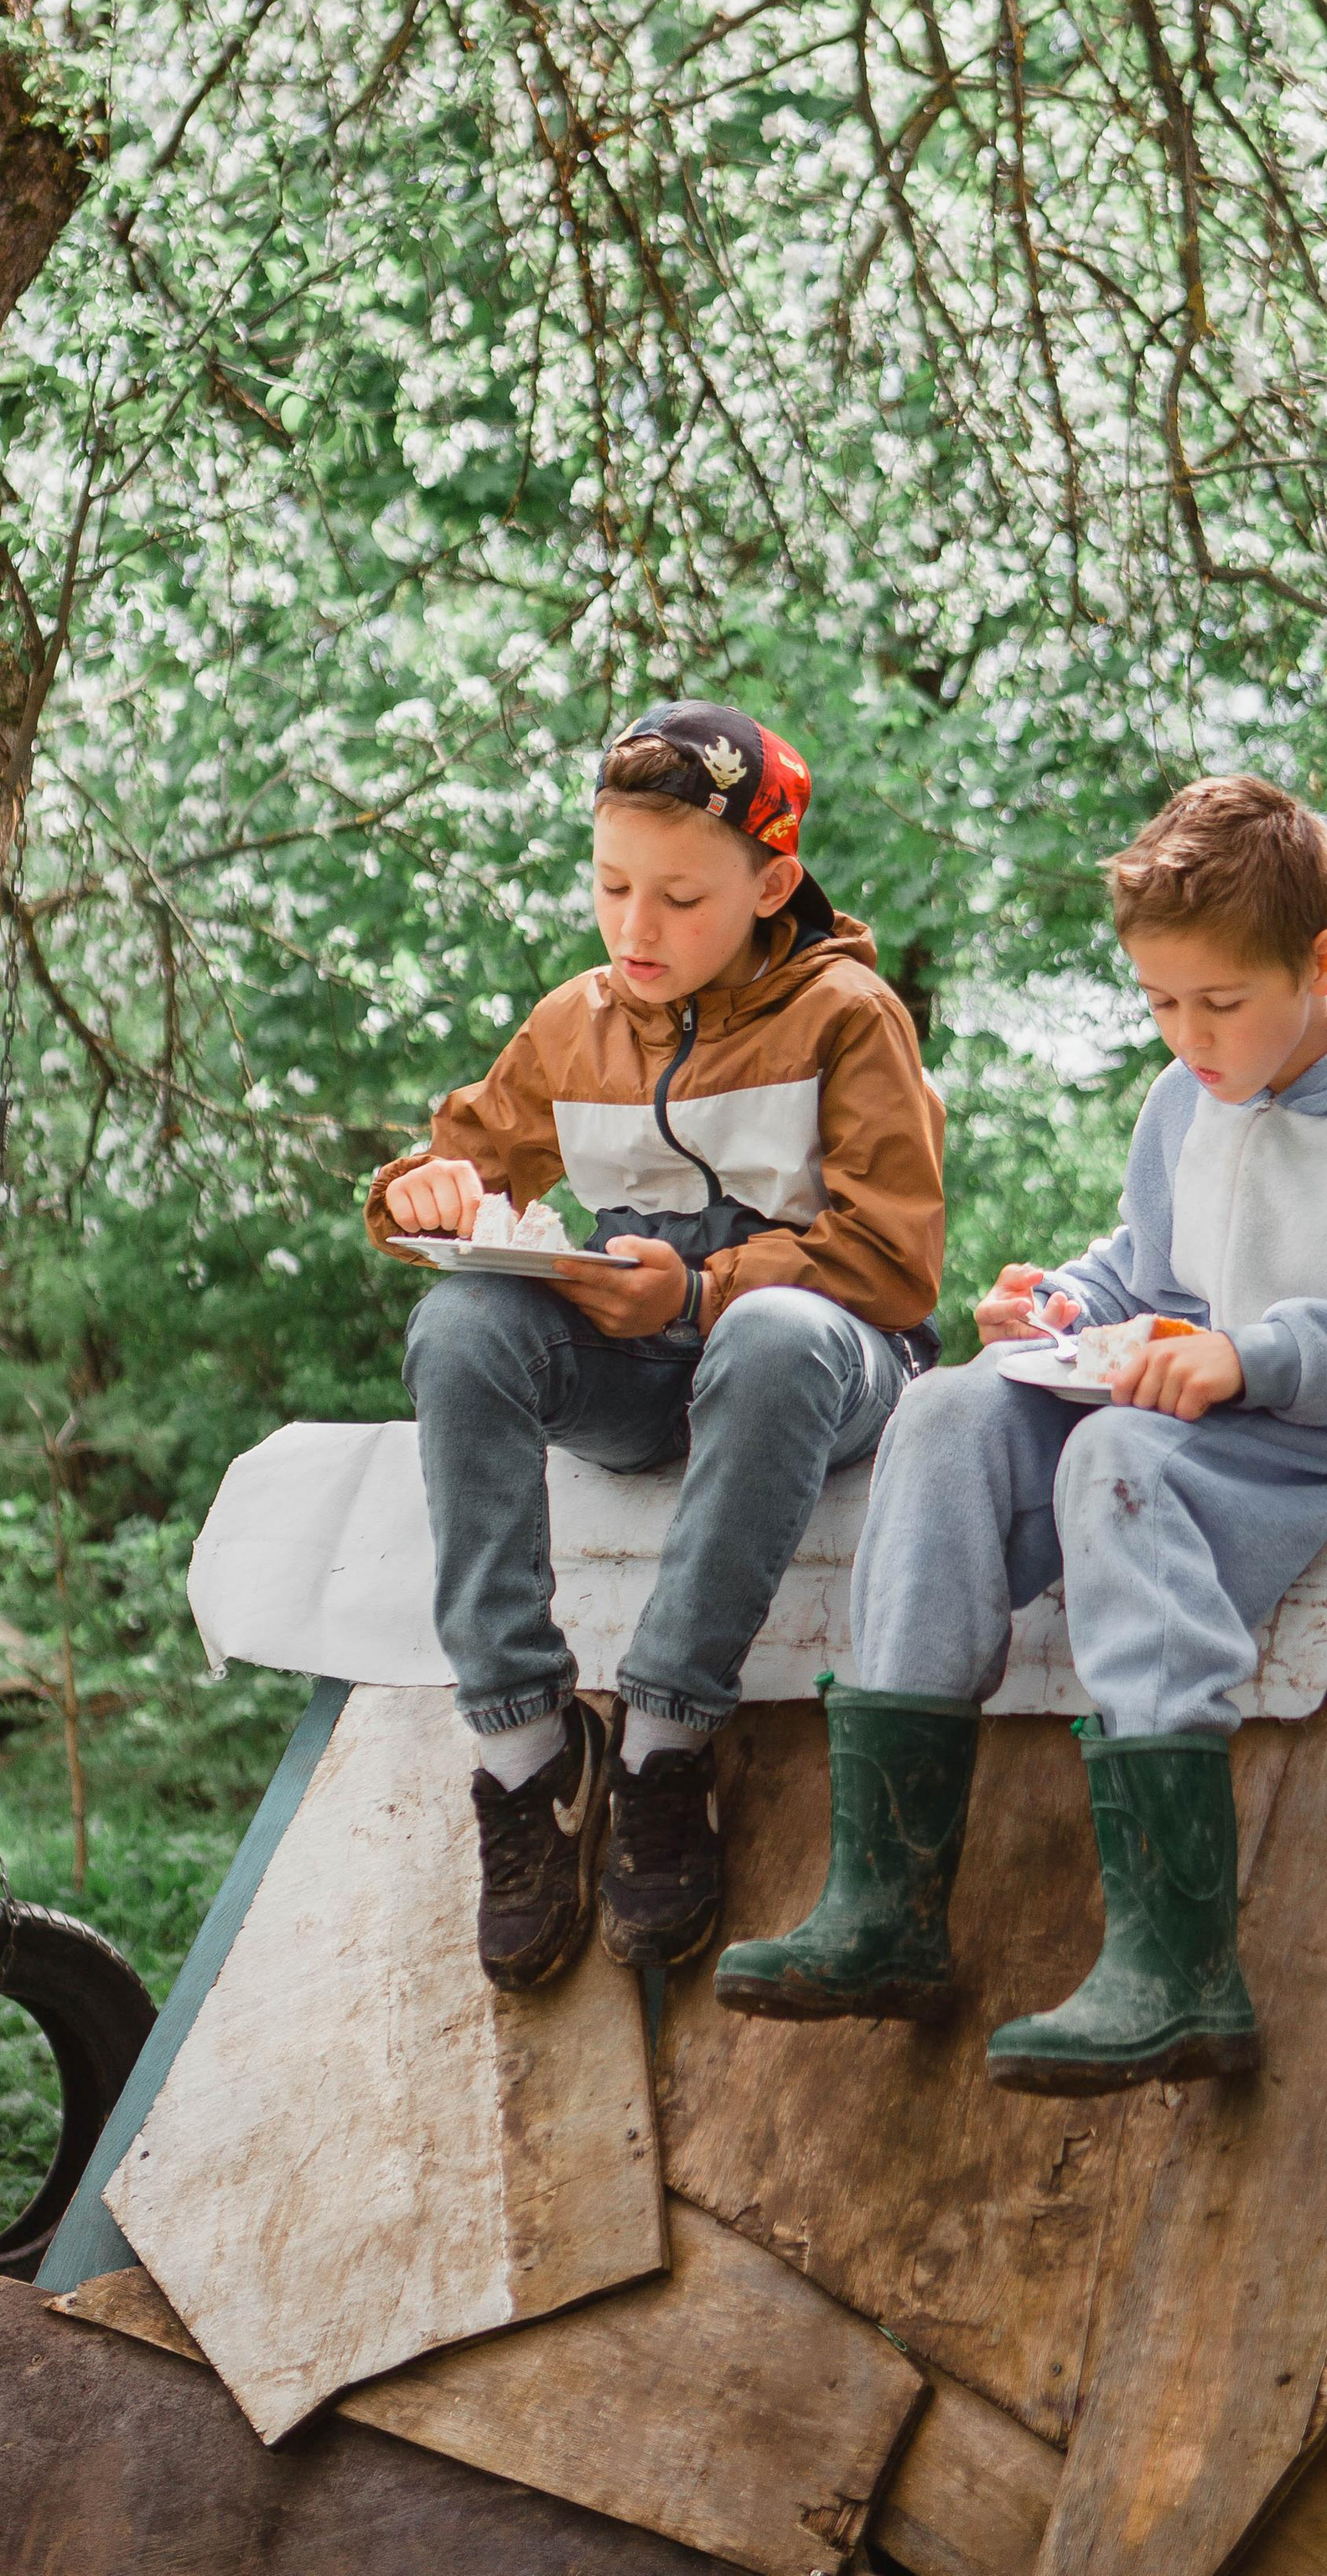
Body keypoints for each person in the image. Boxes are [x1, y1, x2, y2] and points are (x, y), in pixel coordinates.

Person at [713, 773, 1327, 2092]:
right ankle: (885, 1906)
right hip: (1196, 1396)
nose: (1191, 1038)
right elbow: (1153, 1280)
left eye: (1221, 1003)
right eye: (1161, 1004)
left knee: (1113, 1459)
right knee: (942, 1414)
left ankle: (1178, 1970)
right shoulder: (1186, 1096)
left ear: (1320, 963)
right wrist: (1061, 1301)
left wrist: (1251, 1356)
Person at [365, 703, 944, 1989]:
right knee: (461, 1319)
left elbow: (899, 1259)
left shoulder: (849, 1017)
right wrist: (425, 1193)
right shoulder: (575, 1023)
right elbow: (459, 1150)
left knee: (777, 1338)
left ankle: (666, 1745)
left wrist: (697, 1293)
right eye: (613, 886)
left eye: (680, 898)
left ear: (771, 883)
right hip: (646, 1377)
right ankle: (527, 1752)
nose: (636, 929)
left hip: (827, 1369)